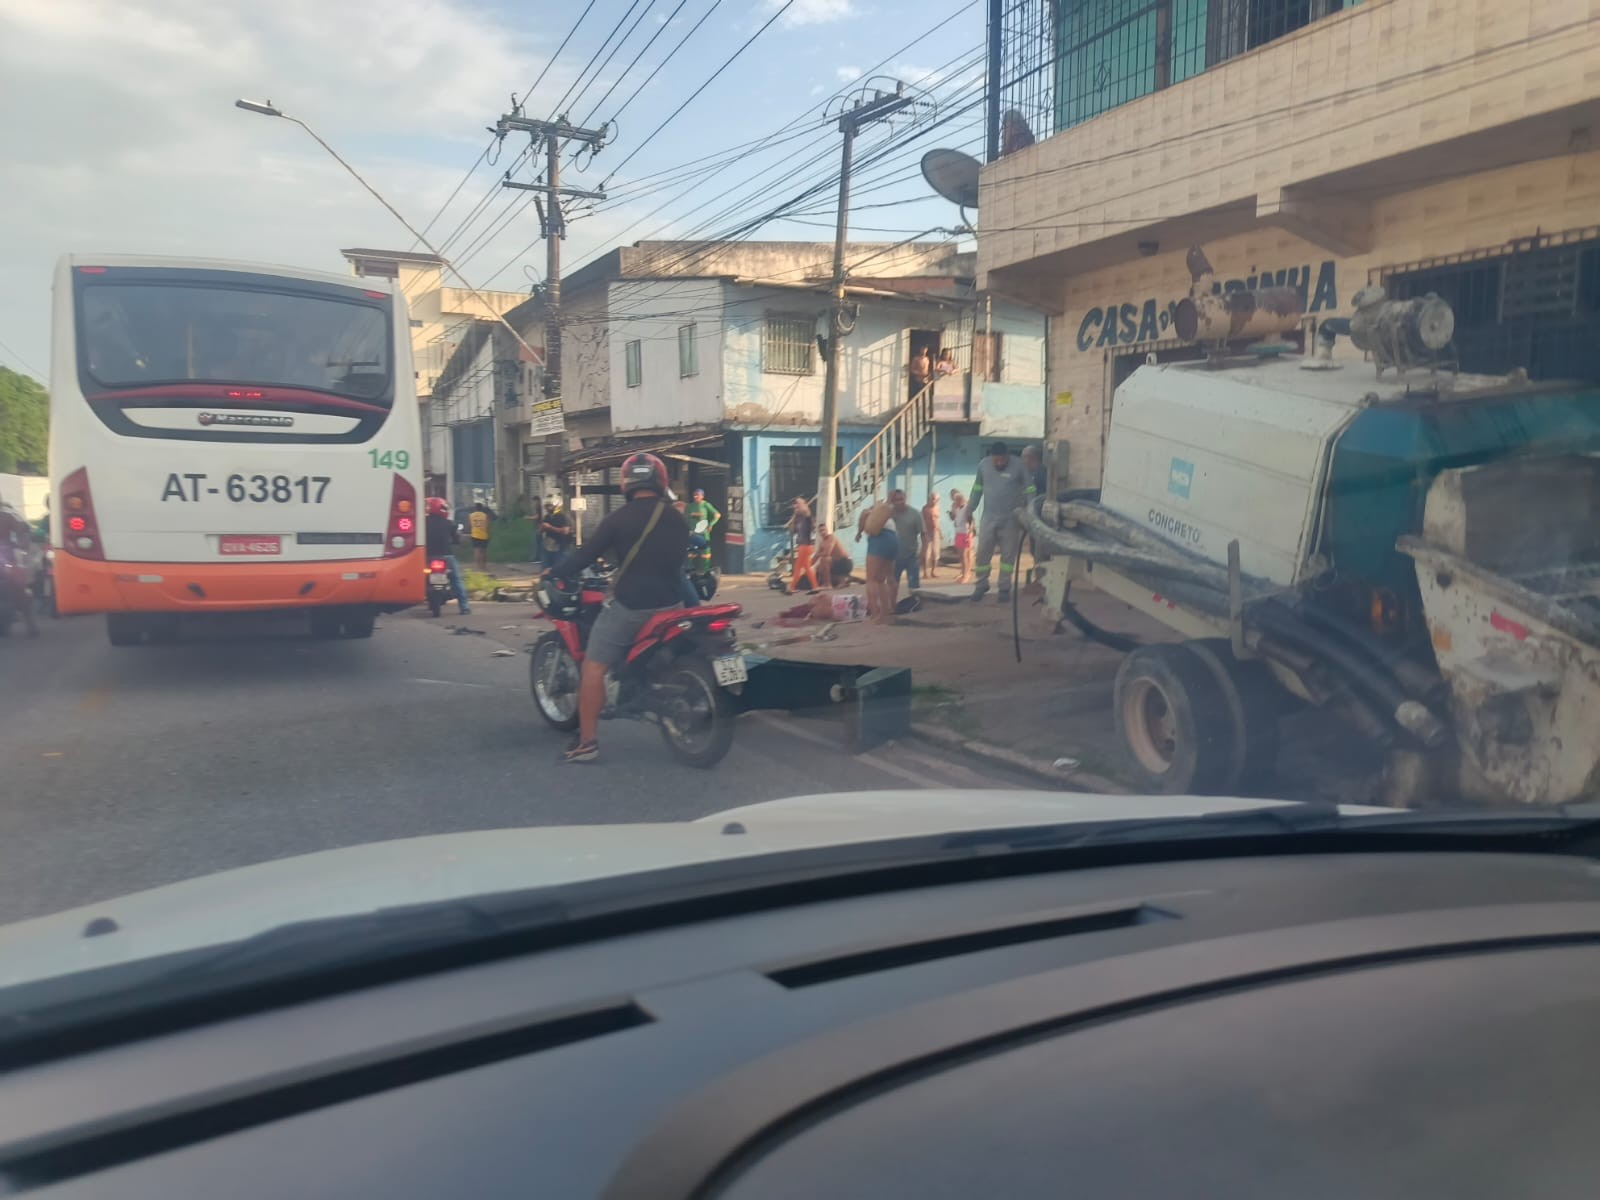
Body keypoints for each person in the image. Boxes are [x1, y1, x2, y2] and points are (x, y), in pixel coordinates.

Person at [548, 452, 689, 764]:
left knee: (594, 666)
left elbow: (584, 557)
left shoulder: (617, 520)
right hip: (673, 605)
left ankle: (587, 743)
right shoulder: (678, 518)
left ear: (627, 482)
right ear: (660, 480)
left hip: (632, 608)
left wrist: (555, 571)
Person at [967, 442, 1034, 603]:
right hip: (989, 517)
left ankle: (1004, 588)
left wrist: (1030, 512)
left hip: (1011, 519)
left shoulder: (1019, 466)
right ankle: (981, 585)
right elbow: (977, 488)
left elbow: (1030, 489)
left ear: (1007, 456)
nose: (999, 463)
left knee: (1008, 556)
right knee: (982, 553)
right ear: (991, 457)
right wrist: (970, 508)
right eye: (996, 460)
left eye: (1002, 460)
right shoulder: (983, 465)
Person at [424, 496, 470, 616]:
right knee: (456, 580)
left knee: (420, 577)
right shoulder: (449, 523)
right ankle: (464, 607)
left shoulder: (423, 523)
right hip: (446, 556)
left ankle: (427, 600)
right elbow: (456, 539)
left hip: (427, 557)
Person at [856, 497, 898, 625]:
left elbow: (863, 518)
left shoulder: (869, 513)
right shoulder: (889, 520)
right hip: (893, 541)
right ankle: (887, 612)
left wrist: (858, 533)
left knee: (871, 580)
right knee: (883, 579)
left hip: (879, 540)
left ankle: (875, 614)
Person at [887, 489, 923, 601]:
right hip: (893, 557)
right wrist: (888, 502)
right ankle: (891, 608)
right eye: (896, 499)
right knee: (892, 585)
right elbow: (875, 516)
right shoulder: (888, 513)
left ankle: (915, 606)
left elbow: (924, 535)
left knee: (914, 586)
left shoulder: (915, 514)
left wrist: (923, 554)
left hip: (911, 556)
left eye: (901, 499)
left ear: (905, 499)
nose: (899, 502)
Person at [683, 486, 721, 576]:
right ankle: (691, 571)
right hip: (693, 533)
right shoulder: (689, 506)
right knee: (691, 552)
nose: (696, 496)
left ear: (702, 496)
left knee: (705, 552)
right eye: (695, 495)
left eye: (698, 495)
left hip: (704, 533)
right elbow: (685, 519)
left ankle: (705, 570)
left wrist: (711, 524)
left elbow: (717, 515)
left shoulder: (706, 505)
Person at [787, 496, 818, 594]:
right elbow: (792, 530)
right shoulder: (799, 518)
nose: (796, 506)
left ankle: (791, 588)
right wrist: (795, 515)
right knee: (807, 568)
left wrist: (802, 504)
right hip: (802, 545)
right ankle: (815, 587)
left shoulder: (807, 517)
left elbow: (807, 512)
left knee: (797, 567)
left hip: (806, 545)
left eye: (798, 504)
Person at [538, 495, 574, 571]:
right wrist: (541, 528)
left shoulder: (563, 516)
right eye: (546, 506)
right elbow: (539, 531)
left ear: (557, 506)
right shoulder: (547, 517)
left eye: (550, 506)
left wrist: (550, 527)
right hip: (548, 546)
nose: (548, 508)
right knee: (545, 568)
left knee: (559, 568)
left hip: (561, 546)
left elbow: (565, 531)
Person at [815, 523, 852, 588]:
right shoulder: (822, 542)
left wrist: (818, 555)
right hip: (836, 565)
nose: (822, 532)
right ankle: (844, 580)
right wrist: (806, 567)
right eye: (820, 531)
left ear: (827, 530)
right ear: (819, 533)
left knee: (824, 559)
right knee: (819, 567)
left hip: (845, 563)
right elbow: (815, 556)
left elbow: (827, 553)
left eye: (824, 530)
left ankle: (827, 584)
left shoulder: (831, 537)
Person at [949, 488, 974, 583]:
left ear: (960, 500)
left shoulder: (966, 508)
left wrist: (969, 533)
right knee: (960, 556)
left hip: (965, 533)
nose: (954, 502)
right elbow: (954, 519)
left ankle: (966, 575)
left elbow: (970, 520)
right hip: (958, 532)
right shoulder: (957, 508)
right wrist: (951, 514)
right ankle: (963, 573)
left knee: (965, 555)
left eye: (956, 500)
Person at [467, 501, 494, 570]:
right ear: (481, 508)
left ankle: (478, 566)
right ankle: (484, 566)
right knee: (484, 551)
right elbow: (488, 526)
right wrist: (489, 534)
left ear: (475, 508)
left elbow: (469, 526)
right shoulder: (485, 515)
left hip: (475, 535)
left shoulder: (471, 515)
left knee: (476, 551)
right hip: (484, 535)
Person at [921, 494, 942, 579]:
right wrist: (923, 532)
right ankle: (925, 572)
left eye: (936, 500)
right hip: (927, 531)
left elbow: (936, 521)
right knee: (926, 552)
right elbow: (922, 520)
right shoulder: (925, 508)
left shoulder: (937, 508)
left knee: (935, 552)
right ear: (929, 499)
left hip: (935, 531)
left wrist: (940, 532)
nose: (934, 501)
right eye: (933, 499)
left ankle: (933, 571)